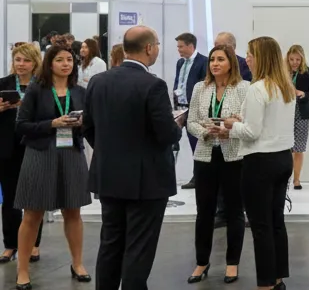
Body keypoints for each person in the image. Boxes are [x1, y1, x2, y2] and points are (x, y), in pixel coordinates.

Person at [83, 26, 184, 290]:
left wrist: (111, 152)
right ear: (149, 48)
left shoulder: (98, 81)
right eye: (158, 45)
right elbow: (165, 134)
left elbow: (89, 128)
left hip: (109, 176)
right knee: (139, 248)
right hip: (146, 182)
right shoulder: (154, 85)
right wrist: (178, 126)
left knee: (111, 243)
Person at [12, 44, 92, 288]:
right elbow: (21, 125)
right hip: (40, 153)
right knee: (32, 214)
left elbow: (90, 123)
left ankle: (77, 263)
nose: (66, 64)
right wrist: (51, 123)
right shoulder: (37, 89)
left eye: (69, 59)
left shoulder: (80, 91)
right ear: (49, 64)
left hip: (71, 153)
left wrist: (81, 123)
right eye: (60, 60)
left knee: (73, 212)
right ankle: (22, 270)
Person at [224, 36, 295, 290]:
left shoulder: (257, 89)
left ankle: (264, 284)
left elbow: (252, 132)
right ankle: (277, 278)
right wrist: (241, 120)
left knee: (260, 226)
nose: (247, 59)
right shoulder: (285, 86)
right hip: (283, 159)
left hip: (260, 163)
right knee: (276, 222)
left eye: (250, 54)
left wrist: (231, 126)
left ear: (261, 58)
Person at [186, 44, 250, 284]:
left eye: (221, 59)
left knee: (234, 211)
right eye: (212, 59)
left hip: (233, 156)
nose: (215, 63)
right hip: (205, 155)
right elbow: (191, 121)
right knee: (204, 212)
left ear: (231, 63)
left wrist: (228, 130)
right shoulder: (200, 88)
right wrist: (204, 131)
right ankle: (201, 262)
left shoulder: (244, 88)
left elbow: (248, 122)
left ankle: (232, 263)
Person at [0, 44, 44, 266]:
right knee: (9, 199)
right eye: (17, 60)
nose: (21, 64)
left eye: (26, 60)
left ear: (35, 62)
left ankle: (34, 243)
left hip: (35, 145)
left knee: (35, 198)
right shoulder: (3, 84)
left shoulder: (42, 86)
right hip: (7, 147)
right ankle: (10, 245)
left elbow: (48, 113)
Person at [175, 32, 209, 188]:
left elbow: (204, 87)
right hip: (179, 108)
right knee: (178, 143)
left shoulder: (204, 62)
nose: (179, 49)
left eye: (181, 46)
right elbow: (178, 83)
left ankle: (199, 177)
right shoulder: (180, 63)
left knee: (197, 143)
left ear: (190, 45)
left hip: (194, 109)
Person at [286, 44, 309, 190]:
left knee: (299, 148)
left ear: (302, 59)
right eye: (292, 59)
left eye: (297, 59)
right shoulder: (282, 73)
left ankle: (297, 179)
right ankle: (284, 180)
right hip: (284, 112)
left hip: (302, 113)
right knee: (285, 148)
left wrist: (303, 94)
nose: (294, 62)